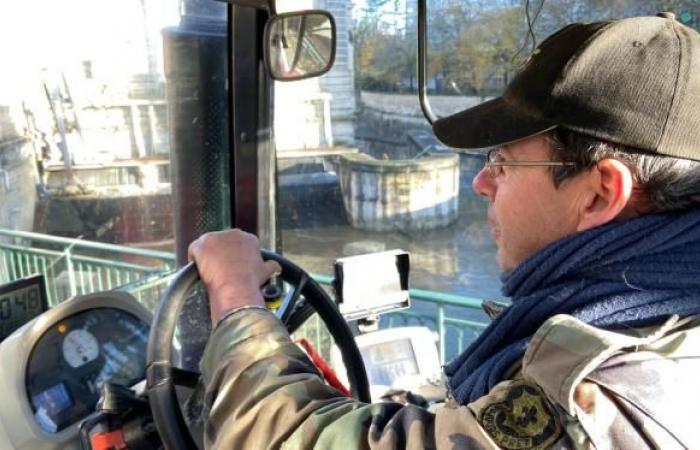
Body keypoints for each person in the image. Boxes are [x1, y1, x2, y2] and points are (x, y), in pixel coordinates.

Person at [188, 13, 700, 449]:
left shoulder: (595, 397)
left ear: (599, 193)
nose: (480, 183)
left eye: (502, 162)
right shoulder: (655, 323)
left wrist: (236, 298)